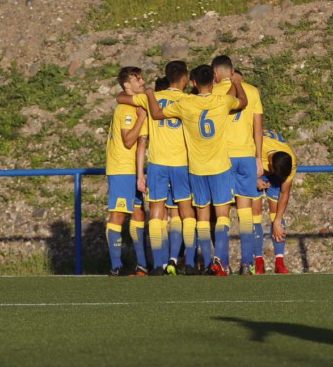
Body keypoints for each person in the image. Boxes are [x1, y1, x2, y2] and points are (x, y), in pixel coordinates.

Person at [144, 64, 248, 275]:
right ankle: (220, 262)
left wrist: (150, 94)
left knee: (202, 216)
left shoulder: (186, 102)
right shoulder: (223, 101)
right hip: (220, 167)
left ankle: (208, 263)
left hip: (197, 169)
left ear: (192, 83)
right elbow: (242, 102)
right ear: (214, 81)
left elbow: (155, 114)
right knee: (222, 215)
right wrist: (237, 83)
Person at [118, 61, 197, 276]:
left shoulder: (149, 99)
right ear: (184, 79)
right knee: (185, 211)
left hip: (157, 163)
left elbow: (121, 98)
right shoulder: (189, 100)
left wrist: (148, 94)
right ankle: (189, 262)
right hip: (182, 163)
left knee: (156, 211)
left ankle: (159, 265)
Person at [211, 58, 264, 276]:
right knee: (245, 211)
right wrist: (258, 157)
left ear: (215, 72)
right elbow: (258, 126)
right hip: (246, 156)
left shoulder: (213, 93)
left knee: (222, 211)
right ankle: (247, 263)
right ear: (233, 71)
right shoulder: (251, 90)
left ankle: (221, 262)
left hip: (223, 157)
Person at [105, 66, 148, 276]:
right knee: (119, 215)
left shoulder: (134, 104)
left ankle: (141, 265)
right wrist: (141, 118)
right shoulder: (126, 110)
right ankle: (116, 266)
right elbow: (128, 140)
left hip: (133, 170)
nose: (142, 82)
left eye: (142, 78)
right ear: (126, 85)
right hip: (122, 169)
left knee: (139, 214)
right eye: (136, 79)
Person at [252, 129, 297, 274]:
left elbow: (285, 192)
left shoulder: (290, 161)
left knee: (276, 214)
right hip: (253, 168)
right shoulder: (256, 147)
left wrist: (277, 220)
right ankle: (258, 261)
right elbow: (238, 166)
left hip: (272, 167)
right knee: (255, 214)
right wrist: (254, 179)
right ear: (270, 164)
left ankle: (279, 262)